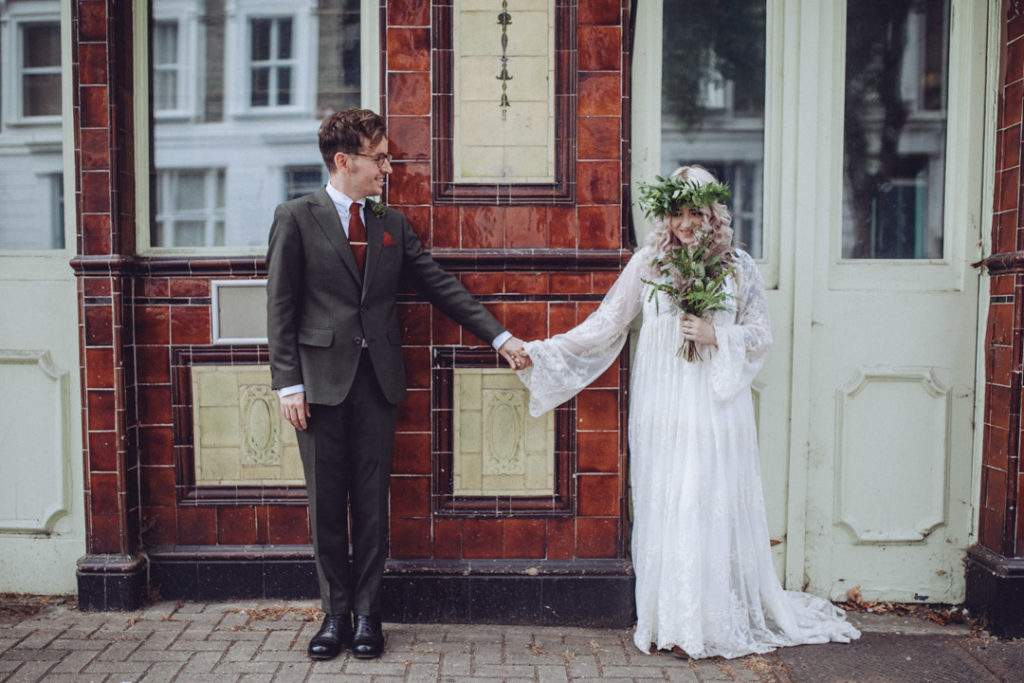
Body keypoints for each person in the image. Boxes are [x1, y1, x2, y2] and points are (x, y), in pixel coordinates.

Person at [514, 166, 860, 659]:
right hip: (663, 407)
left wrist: (717, 335)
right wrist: (544, 349)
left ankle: (709, 620)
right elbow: (606, 323)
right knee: (667, 501)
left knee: (705, 497)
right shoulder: (648, 264)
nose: (685, 222)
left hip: (715, 407)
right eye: (676, 212)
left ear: (714, 213)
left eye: (695, 211)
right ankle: (671, 619)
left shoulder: (737, 266)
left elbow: (760, 334)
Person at [266, 108, 527, 661]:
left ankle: (368, 616)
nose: (388, 167)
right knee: (325, 506)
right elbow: (280, 308)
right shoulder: (295, 216)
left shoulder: (391, 224)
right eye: (379, 158)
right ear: (345, 161)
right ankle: (333, 614)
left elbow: (440, 286)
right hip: (315, 388)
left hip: (377, 385)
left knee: (372, 505)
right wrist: (288, 384)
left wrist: (499, 337)